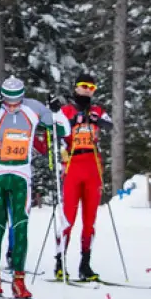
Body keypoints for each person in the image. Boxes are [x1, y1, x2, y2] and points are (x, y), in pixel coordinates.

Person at [0, 76, 57, 299]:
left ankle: (19, 281)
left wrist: (56, 111)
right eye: (9, 101)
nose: (12, 106)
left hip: (21, 174)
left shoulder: (31, 108)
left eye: (17, 101)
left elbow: (59, 127)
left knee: (21, 226)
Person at [54, 76, 114, 282]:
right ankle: (60, 262)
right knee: (68, 217)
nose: (87, 90)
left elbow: (109, 125)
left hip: (93, 165)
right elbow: (58, 129)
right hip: (72, 163)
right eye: (83, 87)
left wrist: (95, 119)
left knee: (90, 220)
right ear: (75, 87)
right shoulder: (67, 110)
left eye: (91, 87)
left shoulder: (97, 110)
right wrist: (74, 121)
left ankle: (85, 264)